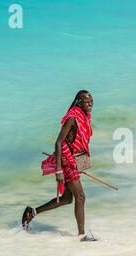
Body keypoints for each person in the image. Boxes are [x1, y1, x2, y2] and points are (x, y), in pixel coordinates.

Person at [22, 90, 96, 241]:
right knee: (80, 196)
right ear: (79, 102)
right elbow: (58, 142)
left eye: (92, 101)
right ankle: (82, 236)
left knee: (67, 199)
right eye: (87, 102)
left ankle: (32, 212)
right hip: (65, 160)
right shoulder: (72, 118)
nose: (90, 104)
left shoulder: (84, 115)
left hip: (73, 160)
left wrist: (81, 162)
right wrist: (58, 171)